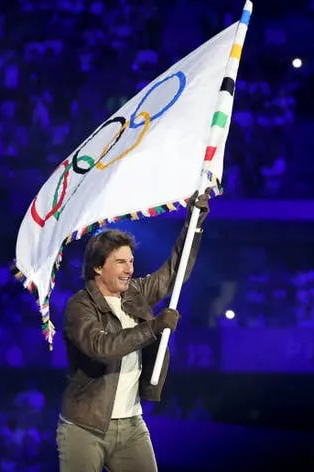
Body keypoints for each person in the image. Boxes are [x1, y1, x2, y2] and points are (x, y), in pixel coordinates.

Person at [56, 189, 211, 471]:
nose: (130, 269)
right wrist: (153, 327)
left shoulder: (135, 292)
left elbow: (173, 273)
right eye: (120, 262)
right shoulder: (79, 306)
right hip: (84, 427)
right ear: (97, 268)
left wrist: (195, 222)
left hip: (131, 426)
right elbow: (100, 348)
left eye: (130, 261)